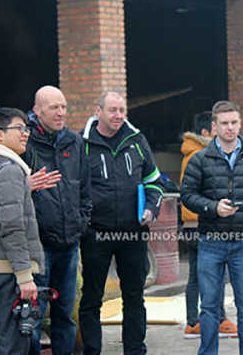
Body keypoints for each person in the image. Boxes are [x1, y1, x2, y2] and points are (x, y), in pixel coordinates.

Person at [181, 100, 243, 355]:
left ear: (240, 123)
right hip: (211, 242)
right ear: (214, 126)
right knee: (209, 306)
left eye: (234, 122)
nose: (230, 128)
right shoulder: (200, 159)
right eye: (224, 123)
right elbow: (187, 195)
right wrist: (213, 207)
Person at [79, 91, 163, 355]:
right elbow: (74, 188)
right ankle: (92, 351)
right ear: (98, 111)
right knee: (92, 299)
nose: (118, 116)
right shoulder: (82, 144)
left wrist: (151, 208)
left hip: (133, 234)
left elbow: (154, 182)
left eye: (122, 110)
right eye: (112, 110)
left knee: (134, 296)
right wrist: (84, 222)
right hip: (96, 234)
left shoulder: (137, 141)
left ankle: (135, 350)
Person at [23, 85, 92, 355]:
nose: (61, 112)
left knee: (65, 315)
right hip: (38, 246)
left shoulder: (74, 142)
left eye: (63, 106)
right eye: (54, 107)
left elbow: (85, 188)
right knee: (33, 316)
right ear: (37, 110)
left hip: (70, 242)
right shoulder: (25, 142)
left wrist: (81, 222)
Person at [0, 107, 45, 355]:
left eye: (26, 129)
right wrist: (24, 275)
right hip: (6, 273)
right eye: (19, 129)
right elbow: (13, 226)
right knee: (13, 344)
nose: (25, 134)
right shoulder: (8, 169)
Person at [180, 111, 237, 339]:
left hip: (192, 223)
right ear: (205, 132)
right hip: (200, 223)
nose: (224, 131)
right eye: (217, 127)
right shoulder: (200, 156)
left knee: (197, 275)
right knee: (214, 274)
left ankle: (194, 322)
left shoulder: (193, 153)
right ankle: (217, 320)